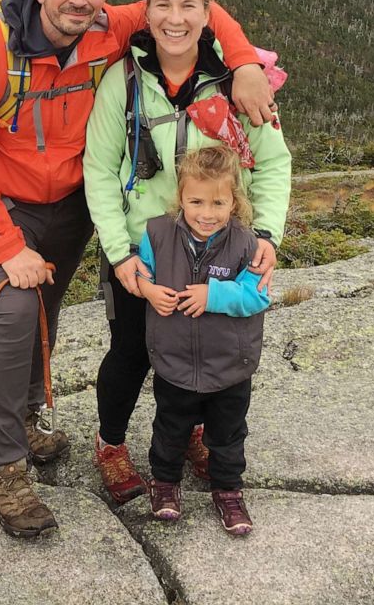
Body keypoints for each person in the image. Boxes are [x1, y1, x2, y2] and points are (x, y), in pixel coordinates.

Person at [0, 0, 274, 539]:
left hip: (68, 205)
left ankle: (23, 419)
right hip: (4, 201)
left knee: (45, 308)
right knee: (15, 309)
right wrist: (7, 245)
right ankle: (1, 467)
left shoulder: (107, 26)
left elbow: (198, 8)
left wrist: (245, 62)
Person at [83, 0, 291, 505]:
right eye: (163, 6)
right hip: (143, 246)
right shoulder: (122, 80)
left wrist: (266, 235)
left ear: (208, 14)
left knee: (211, 341)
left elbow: (273, 162)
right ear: (145, 15)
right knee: (131, 350)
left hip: (222, 240)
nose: (175, 19)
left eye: (188, 6)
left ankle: (194, 435)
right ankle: (111, 445)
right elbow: (99, 170)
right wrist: (121, 254)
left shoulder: (238, 81)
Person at [137, 144, 279, 535]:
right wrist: (147, 289)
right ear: (179, 196)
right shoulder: (156, 233)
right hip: (174, 361)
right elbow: (141, 272)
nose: (206, 212)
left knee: (229, 434)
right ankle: (164, 485)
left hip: (230, 366)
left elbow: (258, 295)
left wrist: (213, 295)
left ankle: (229, 492)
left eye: (218, 202)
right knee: (169, 428)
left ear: (234, 200)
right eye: (195, 200)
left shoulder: (249, 243)